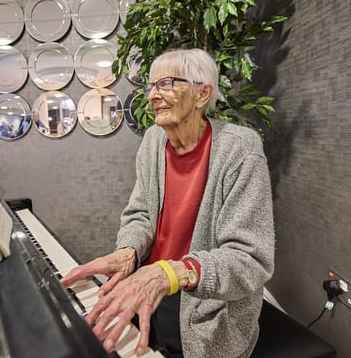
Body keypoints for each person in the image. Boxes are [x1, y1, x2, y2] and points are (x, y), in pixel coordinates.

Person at [61, 48, 275, 358]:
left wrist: (171, 273)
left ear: (203, 93)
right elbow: (139, 215)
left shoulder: (240, 149)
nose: (152, 96)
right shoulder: (152, 141)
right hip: (151, 281)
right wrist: (128, 252)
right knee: (85, 333)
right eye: (151, 86)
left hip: (205, 304)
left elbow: (250, 260)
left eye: (167, 83)